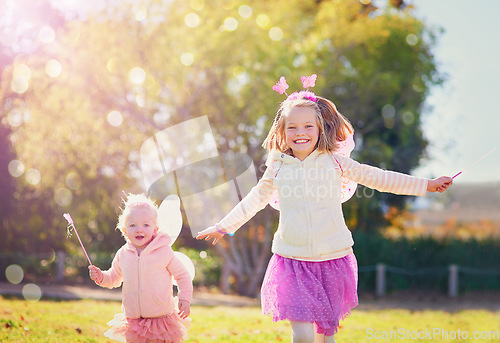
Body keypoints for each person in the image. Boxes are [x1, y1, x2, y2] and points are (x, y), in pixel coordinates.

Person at [196, 75, 452, 343]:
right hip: (292, 261)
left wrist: (427, 185)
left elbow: (382, 177)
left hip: (332, 259)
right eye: (292, 127)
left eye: (308, 126)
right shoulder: (278, 166)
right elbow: (254, 200)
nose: (300, 133)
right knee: (302, 334)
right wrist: (224, 226)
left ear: (321, 129)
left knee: (325, 337)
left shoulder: (336, 162)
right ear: (282, 132)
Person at [89, 193, 193, 343]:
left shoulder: (163, 251)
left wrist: (185, 299)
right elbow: (113, 278)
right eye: (132, 225)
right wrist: (101, 277)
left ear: (155, 229)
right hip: (134, 323)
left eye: (146, 225)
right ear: (124, 230)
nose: (139, 230)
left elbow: (183, 275)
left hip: (161, 322)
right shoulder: (123, 254)